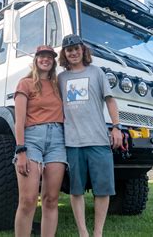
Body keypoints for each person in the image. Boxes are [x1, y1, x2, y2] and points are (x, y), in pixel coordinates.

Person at [58, 34, 123, 237]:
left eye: (76, 48)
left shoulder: (97, 73)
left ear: (83, 50)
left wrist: (116, 127)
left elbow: (110, 101)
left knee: (102, 190)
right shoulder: (61, 78)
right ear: (64, 54)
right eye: (69, 50)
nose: (73, 53)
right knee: (76, 190)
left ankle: (98, 232)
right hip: (73, 143)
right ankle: (83, 232)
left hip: (98, 141)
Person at [14, 45, 67, 237]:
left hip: (57, 140)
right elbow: (19, 121)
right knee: (28, 200)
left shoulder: (57, 85)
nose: (46, 59)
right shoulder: (25, 83)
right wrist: (21, 151)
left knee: (51, 199)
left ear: (53, 62)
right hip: (32, 139)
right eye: (42, 56)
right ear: (35, 60)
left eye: (50, 57)